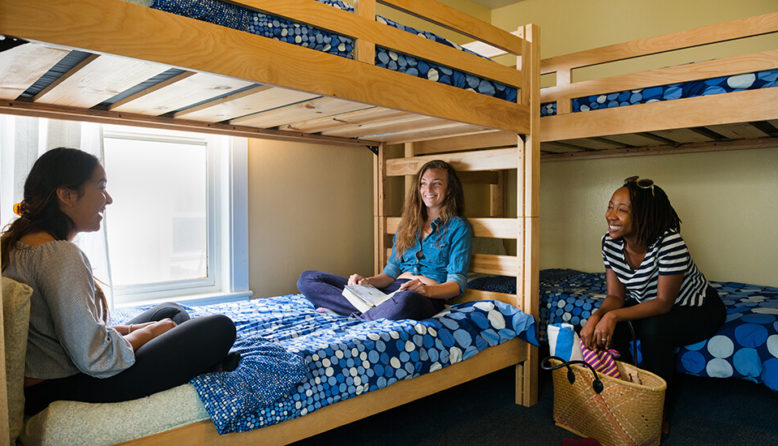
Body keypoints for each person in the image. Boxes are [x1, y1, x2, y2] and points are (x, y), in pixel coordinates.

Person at [1, 147, 238, 415]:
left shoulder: (17, 245)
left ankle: (204, 361)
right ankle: (208, 363)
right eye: (101, 187)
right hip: (66, 386)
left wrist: (133, 330)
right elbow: (95, 358)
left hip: (51, 378)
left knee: (169, 312)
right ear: (66, 195)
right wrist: (148, 333)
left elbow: (67, 332)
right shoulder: (59, 255)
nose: (109, 199)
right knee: (219, 327)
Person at [580, 175, 726, 436]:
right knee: (611, 330)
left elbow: (662, 303)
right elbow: (615, 297)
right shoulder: (610, 242)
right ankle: (621, 398)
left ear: (644, 216)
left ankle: (658, 411)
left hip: (697, 307)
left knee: (653, 330)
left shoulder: (670, 243)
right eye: (611, 206)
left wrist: (612, 316)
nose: (611, 215)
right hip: (648, 303)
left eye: (622, 210)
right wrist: (598, 316)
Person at [297, 159, 472, 321]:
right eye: (423, 183)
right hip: (389, 292)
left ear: (449, 190)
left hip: (423, 296)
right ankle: (372, 312)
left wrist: (426, 290)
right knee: (308, 279)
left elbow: (456, 284)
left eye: (437, 184)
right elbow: (390, 274)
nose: (428, 190)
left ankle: (356, 315)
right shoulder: (408, 224)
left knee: (406, 301)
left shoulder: (458, 227)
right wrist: (367, 282)